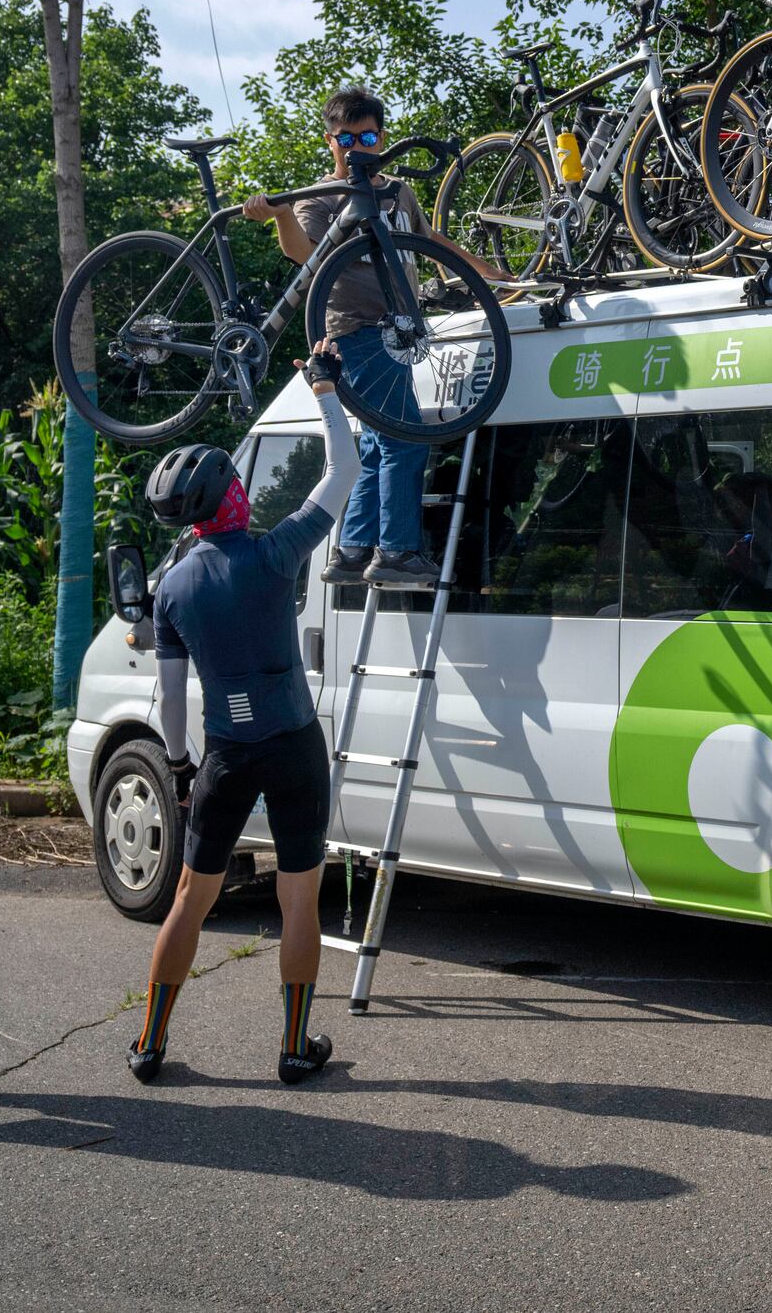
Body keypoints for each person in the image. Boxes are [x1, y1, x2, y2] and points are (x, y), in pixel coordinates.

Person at [127, 342, 360, 1085]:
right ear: (228, 497)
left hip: (223, 754)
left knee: (192, 898)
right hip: (293, 744)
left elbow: (170, 698)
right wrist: (324, 389)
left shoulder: (171, 590)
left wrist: (180, 761)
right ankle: (294, 1047)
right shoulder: (272, 553)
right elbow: (344, 473)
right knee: (300, 898)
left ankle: (149, 1044)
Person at [241, 86, 501, 590]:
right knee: (405, 439)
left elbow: (433, 244)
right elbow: (303, 255)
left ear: (382, 137)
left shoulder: (398, 191)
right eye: (347, 137)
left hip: (399, 334)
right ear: (330, 140)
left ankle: (352, 549)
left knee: (382, 445)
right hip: (356, 332)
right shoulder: (322, 196)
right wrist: (279, 216)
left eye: (368, 135)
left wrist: (494, 277)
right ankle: (398, 552)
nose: (358, 146)